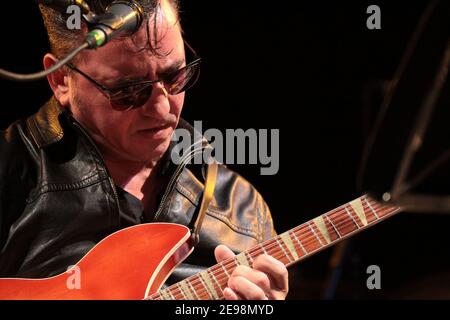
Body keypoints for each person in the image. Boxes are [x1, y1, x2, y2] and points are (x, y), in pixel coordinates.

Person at [0, 0, 288, 300]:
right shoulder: (9, 173)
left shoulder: (243, 213)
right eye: (129, 90)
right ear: (61, 81)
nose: (162, 108)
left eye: (175, 76)